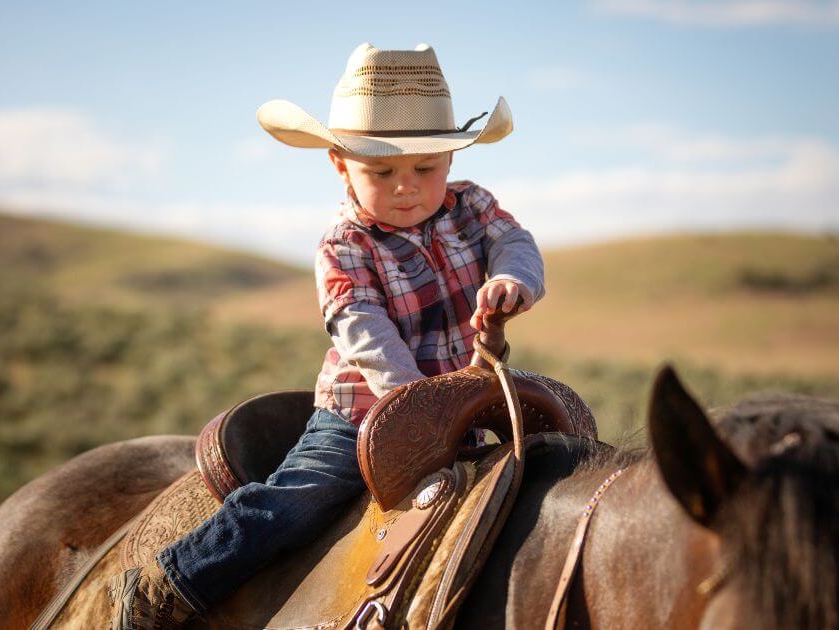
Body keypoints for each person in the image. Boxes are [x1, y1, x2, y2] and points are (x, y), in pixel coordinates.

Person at [109, 42, 545, 629]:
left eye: (425, 168)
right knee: (298, 500)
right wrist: (424, 410)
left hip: (463, 397)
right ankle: (169, 586)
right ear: (340, 165)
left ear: (450, 156)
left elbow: (515, 242)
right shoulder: (343, 245)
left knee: (557, 450)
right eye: (381, 171)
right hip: (364, 411)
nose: (405, 187)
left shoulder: (474, 205)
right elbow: (367, 335)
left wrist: (513, 279)